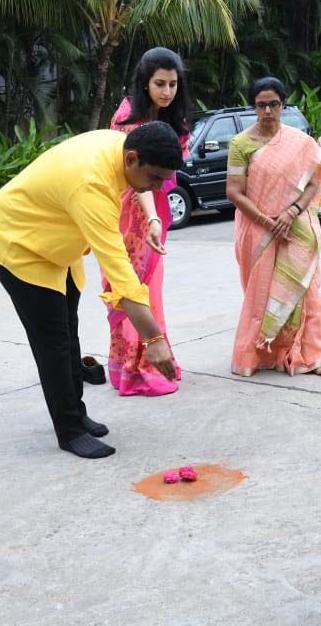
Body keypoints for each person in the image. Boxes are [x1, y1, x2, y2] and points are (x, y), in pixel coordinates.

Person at [0, 123, 182, 459]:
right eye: (154, 178)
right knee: (53, 341)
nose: (156, 188)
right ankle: (68, 429)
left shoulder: (122, 148)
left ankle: (77, 412)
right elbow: (120, 273)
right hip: (19, 245)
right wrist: (154, 340)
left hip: (57, 245)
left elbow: (118, 261)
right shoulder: (92, 184)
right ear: (132, 159)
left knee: (69, 332)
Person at [225, 77, 321, 377]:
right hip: (258, 229)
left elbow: (313, 182)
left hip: (296, 227)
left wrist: (292, 212)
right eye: (261, 105)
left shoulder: (300, 142)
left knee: (306, 291)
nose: (268, 111)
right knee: (260, 295)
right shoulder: (241, 144)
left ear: (282, 105)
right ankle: (263, 354)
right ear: (254, 107)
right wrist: (267, 221)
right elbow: (234, 191)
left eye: (274, 104)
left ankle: (307, 355)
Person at [104, 48, 191, 396]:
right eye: (159, 83)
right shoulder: (127, 118)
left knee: (152, 291)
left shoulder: (171, 117)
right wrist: (152, 217)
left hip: (155, 209)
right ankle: (133, 369)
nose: (167, 91)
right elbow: (136, 177)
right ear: (144, 83)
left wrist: (157, 215)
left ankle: (156, 358)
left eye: (172, 84)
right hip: (130, 211)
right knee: (130, 288)